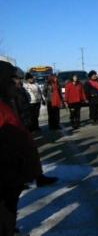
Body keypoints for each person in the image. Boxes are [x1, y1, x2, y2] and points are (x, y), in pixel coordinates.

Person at [0, 62, 57, 236]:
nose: (16, 84)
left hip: (12, 176)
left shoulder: (4, 102)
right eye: (12, 81)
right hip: (5, 176)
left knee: (7, 214)